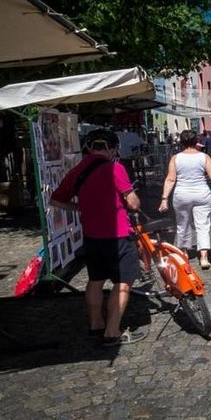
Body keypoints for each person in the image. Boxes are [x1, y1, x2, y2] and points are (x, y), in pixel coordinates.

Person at [50, 129, 146, 346]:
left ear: (89, 147)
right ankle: (112, 331)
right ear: (112, 148)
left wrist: (80, 207)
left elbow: (55, 201)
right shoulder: (115, 168)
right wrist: (134, 200)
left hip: (92, 236)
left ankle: (96, 325)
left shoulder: (77, 171)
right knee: (123, 282)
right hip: (118, 234)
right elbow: (133, 203)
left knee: (95, 281)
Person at [159, 130, 211, 269]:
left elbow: (170, 179)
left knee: (183, 225)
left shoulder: (175, 158)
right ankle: (204, 257)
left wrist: (164, 199)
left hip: (182, 195)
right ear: (196, 142)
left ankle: (184, 254)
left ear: (181, 142)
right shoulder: (204, 157)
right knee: (203, 226)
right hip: (202, 194)